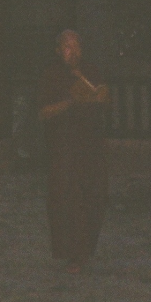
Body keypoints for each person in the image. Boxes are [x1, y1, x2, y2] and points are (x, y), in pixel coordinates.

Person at [38, 29, 109, 269]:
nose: (73, 52)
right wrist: (70, 102)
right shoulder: (51, 74)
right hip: (63, 146)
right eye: (68, 47)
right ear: (58, 50)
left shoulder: (91, 71)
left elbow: (104, 100)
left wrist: (98, 97)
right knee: (67, 200)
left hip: (90, 145)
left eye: (77, 46)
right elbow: (42, 112)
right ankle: (72, 253)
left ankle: (86, 250)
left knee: (93, 197)